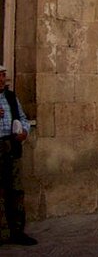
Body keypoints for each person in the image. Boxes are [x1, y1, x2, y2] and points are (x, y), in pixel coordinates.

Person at [0, 66, 37, 246]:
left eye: (3, 76)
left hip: (11, 145)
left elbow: (22, 118)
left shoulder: (11, 97)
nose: (1, 79)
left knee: (15, 190)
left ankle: (17, 231)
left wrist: (24, 131)